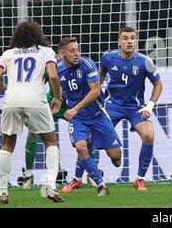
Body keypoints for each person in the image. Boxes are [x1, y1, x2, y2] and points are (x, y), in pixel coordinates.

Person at [0, 21, 64, 204]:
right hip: (36, 99)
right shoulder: (46, 52)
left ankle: (3, 191)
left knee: (7, 144)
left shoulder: (8, 54)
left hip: (12, 100)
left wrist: (6, 89)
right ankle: (51, 186)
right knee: (50, 141)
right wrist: (57, 97)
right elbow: (53, 76)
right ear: (38, 34)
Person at [98, 27, 163, 191]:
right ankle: (80, 177)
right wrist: (96, 96)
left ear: (136, 41)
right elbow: (100, 76)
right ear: (119, 41)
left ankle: (140, 179)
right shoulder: (107, 57)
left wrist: (149, 105)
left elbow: (158, 84)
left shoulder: (144, 61)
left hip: (136, 108)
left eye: (132, 38)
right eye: (125, 38)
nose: (129, 41)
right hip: (112, 106)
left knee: (148, 135)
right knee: (95, 140)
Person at [57, 37, 122, 196]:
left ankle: (83, 176)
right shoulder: (58, 69)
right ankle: (101, 185)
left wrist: (76, 108)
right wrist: (57, 98)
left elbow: (96, 91)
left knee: (116, 158)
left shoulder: (87, 64)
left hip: (97, 115)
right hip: (78, 119)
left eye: (77, 49)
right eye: (72, 51)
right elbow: (59, 84)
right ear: (62, 54)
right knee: (81, 146)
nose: (76, 54)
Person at [20, 54, 69, 190]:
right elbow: (39, 83)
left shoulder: (81, 67)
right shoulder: (53, 68)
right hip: (51, 103)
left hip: (72, 106)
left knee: (87, 135)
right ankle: (28, 175)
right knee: (34, 132)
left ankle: (86, 175)